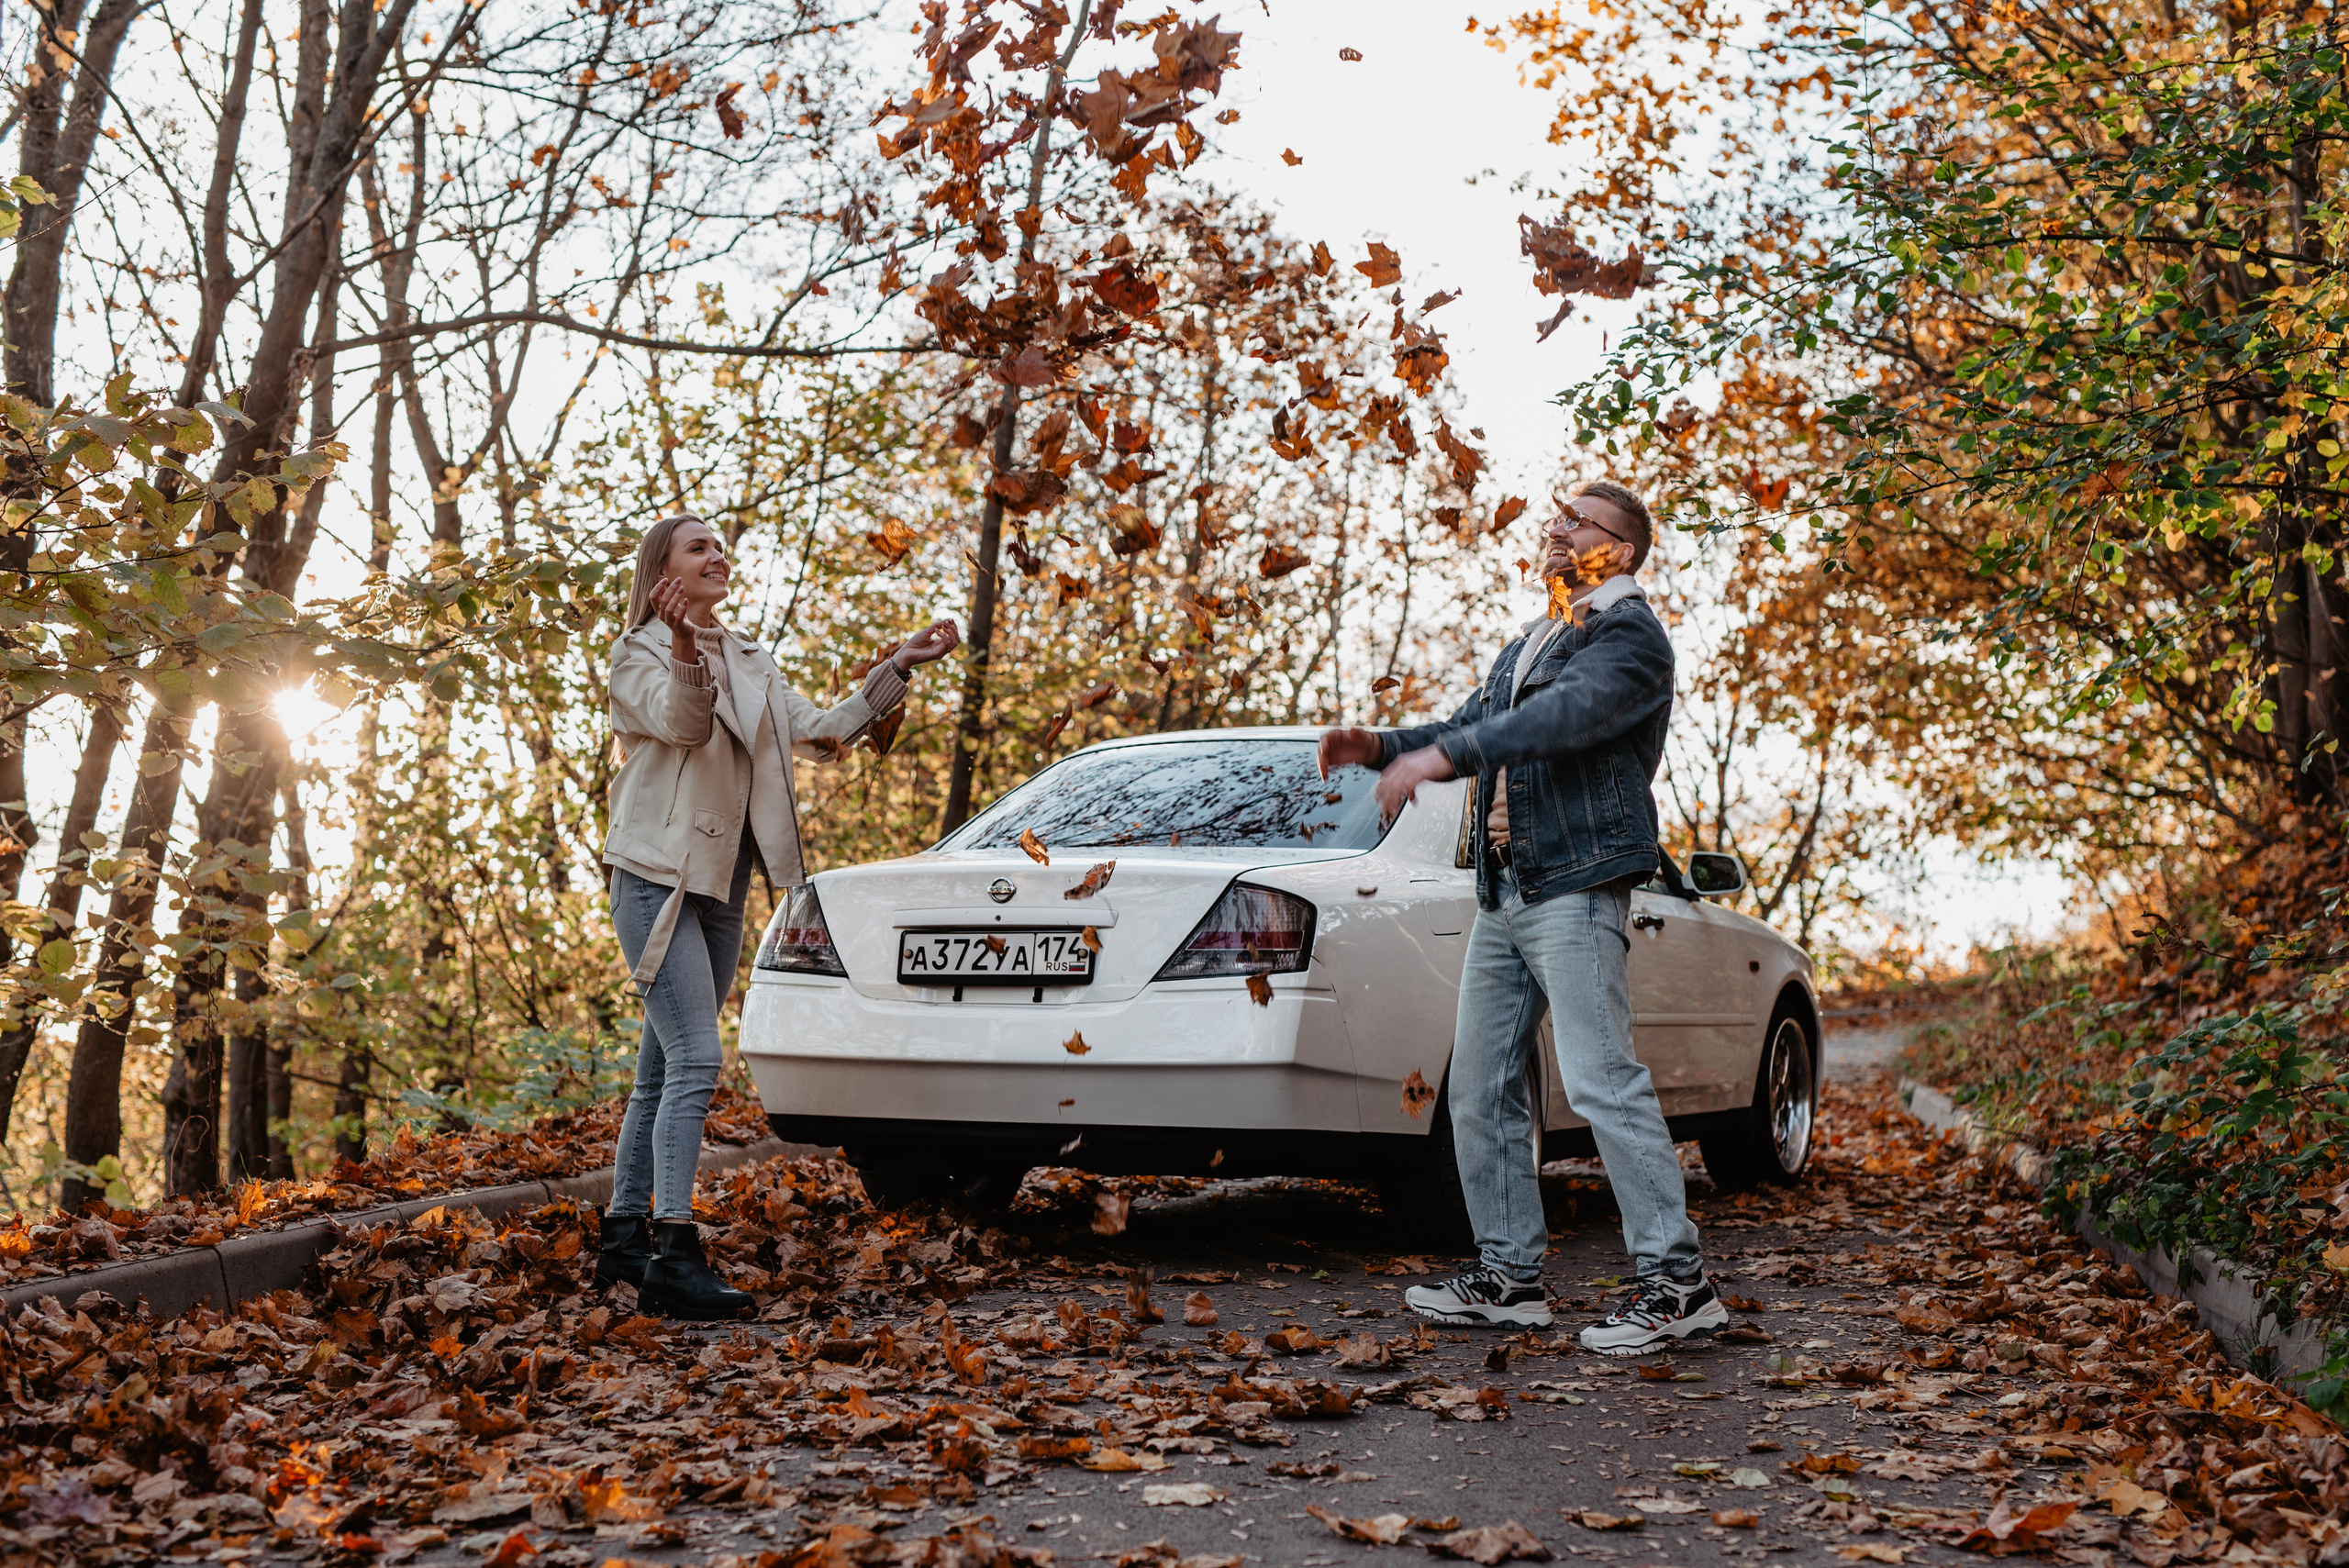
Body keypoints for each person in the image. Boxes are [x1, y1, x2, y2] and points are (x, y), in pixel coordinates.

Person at [1317, 479, 1723, 1354]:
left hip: (1575, 883)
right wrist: (1383, 746)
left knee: (1601, 1080)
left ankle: (1677, 1281)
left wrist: (1440, 756)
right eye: (1559, 517)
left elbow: (1559, 719)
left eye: (1579, 522)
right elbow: (1473, 721)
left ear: (1621, 545)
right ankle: (1508, 1276)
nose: (1559, 529)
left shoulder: (1631, 636)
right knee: (1479, 1083)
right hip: (1506, 887)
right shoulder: (1539, 633)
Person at [597, 512, 959, 1318]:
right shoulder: (637, 654)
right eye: (698, 547)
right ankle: (672, 1249)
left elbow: (825, 731)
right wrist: (685, 649)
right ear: (664, 570)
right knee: (695, 1060)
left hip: (722, 885)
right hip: (656, 879)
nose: (717, 555)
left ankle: (623, 1236)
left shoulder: (753, 659)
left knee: (659, 1070)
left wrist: (897, 664)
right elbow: (683, 723)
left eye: (721, 544)